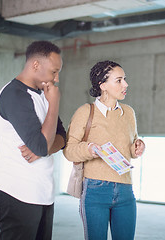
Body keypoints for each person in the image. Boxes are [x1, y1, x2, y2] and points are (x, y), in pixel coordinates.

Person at [0, 41, 66, 240]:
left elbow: (63, 136)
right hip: (16, 190)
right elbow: (41, 145)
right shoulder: (14, 95)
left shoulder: (41, 94)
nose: (56, 79)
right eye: (54, 72)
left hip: (41, 191)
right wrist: (54, 104)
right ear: (36, 65)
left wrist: (43, 147)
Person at [63, 60, 145, 240]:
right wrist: (89, 149)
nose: (125, 84)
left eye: (125, 79)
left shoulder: (129, 112)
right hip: (95, 190)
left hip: (125, 190)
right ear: (103, 85)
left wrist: (138, 147)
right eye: (119, 80)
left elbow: (131, 145)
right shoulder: (85, 111)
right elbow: (69, 150)